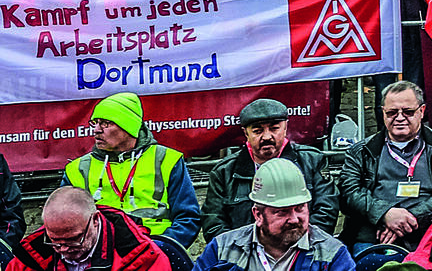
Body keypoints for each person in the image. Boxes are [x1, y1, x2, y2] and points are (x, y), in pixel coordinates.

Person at [338, 81, 432, 250]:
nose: (399, 118)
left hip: (428, 232)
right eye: (391, 112)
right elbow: (348, 193)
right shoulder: (361, 151)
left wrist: (409, 218)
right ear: (383, 112)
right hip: (373, 234)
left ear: (422, 111)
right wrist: (385, 213)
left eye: (408, 112)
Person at [63, 93, 201, 246]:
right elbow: (65, 223)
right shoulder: (77, 169)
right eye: (94, 123)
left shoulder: (167, 159)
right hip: (101, 255)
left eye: (105, 123)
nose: (96, 130)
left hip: (156, 250)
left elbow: (188, 218)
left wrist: (162, 250)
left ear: (128, 126)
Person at [204, 99, 340, 240]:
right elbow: (214, 224)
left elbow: (326, 211)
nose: (267, 136)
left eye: (274, 129)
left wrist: (299, 246)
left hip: (303, 251)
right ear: (246, 133)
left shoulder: (312, 161)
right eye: (258, 131)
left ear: (285, 127)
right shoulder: (224, 172)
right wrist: (243, 252)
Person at [193, 159, 353, 271]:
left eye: (300, 208)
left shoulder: (332, 255)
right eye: (282, 211)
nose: (294, 219)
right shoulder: (221, 250)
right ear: (258, 215)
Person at [10, 187, 171, 271]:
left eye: (74, 239)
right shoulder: (30, 256)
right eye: (55, 241)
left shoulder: (142, 256)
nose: (63, 249)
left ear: (95, 220)